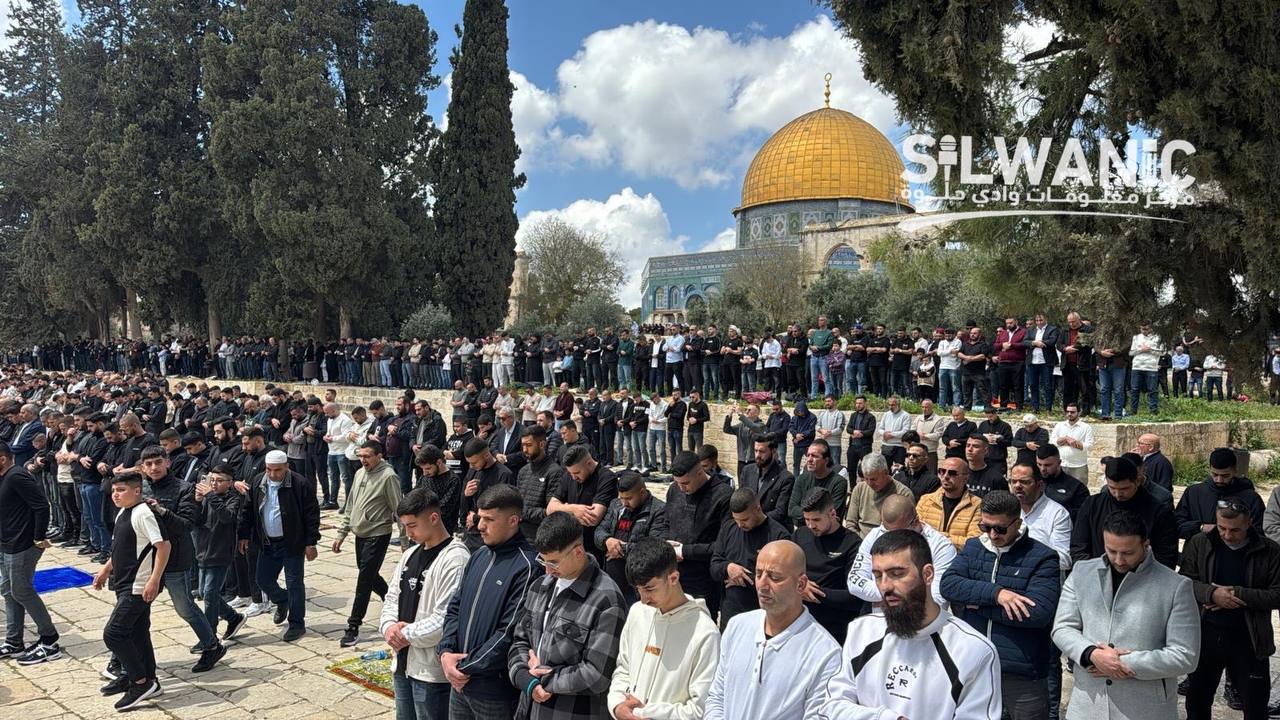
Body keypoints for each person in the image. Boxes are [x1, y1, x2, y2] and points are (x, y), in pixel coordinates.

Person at [820, 529, 1003, 720]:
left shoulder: (974, 650)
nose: (885, 586)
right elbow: (832, 706)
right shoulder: (861, 631)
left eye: (896, 574)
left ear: (928, 574)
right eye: (877, 575)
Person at [1051, 510, 1200, 720]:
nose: (1119, 560)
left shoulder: (1176, 586)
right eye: (1111, 551)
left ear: (1146, 544)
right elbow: (1062, 628)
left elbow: (1185, 655)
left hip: (1146, 709)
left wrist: (1123, 663)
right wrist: (1092, 654)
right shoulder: (1082, 572)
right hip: (1088, 706)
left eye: (1128, 552)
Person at [941, 491, 1061, 720]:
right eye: (985, 527)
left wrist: (979, 606)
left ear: (1018, 523)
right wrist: (997, 594)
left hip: (1021, 674)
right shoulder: (974, 547)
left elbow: (1038, 613)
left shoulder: (1043, 557)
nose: (993, 535)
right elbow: (948, 585)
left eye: (1000, 529)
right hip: (974, 667)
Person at [505, 511, 626, 719]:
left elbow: (597, 674)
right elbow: (519, 640)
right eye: (543, 561)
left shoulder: (607, 599)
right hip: (529, 709)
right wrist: (524, 677)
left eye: (553, 562)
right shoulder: (540, 586)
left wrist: (542, 679)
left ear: (578, 552)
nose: (548, 570)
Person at [437, 484, 543, 719]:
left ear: (513, 521)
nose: (480, 526)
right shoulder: (478, 556)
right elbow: (455, 607)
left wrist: (464, 667)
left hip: (493, 692)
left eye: (489, 520)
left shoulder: (528, 566)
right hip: (459, 683)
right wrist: (445, 652)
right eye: (479, 517)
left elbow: (509, 631)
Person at [704, 540, 841, 720]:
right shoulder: (737, 626)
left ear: (801, 584)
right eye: (758, 574)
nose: (762, 585)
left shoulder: (825, 653)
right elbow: (717, 696)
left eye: (775, 577)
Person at [1179, 499, 1280, 720]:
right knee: (1197, 701)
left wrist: (1238, 594)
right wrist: (1211, 593)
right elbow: (1184, 582)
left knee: (1255, 704)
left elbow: (1277, 594)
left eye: (1235, 530)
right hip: (1206, 633)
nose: (1227, 535)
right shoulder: (1200, 543)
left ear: (1249, 524)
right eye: (1221, 528)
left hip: (1250, 637)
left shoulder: (1269, 550)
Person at [380, 486, 469, 720]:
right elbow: (392, 597)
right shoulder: (410, 555)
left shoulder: (455, 558)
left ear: (433, 518)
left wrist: (404, 633)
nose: (408, 533)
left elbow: (445, 618)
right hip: (403, 661)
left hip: (430, 671)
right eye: (404, 526)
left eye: (412, 525)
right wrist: (388, 627)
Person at [608, 537, 720, 720]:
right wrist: (617, 705)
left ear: (673, 578)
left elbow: (702, 709)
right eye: (638, 590)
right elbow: (623, 668)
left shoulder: (705, 633)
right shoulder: (637, 612)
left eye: (649, 589)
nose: (644, 599)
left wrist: (647, 713)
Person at [137, 445, 226, 669]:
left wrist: (162, 511)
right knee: (134, 608)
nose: (154, 468)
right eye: (149, 464)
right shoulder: (139, 488)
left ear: (167, 462)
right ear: (143, 467)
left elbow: (186, 524)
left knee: (184, 607)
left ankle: (212, 645)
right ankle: (123, 658)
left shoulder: (184, 488)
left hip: (175, 558)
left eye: (158, 462)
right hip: (146, 559)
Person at [94, 472, 170, 710]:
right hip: (123, 582)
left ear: (137, 491)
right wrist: (106, 569)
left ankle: (139, 682)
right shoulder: (123, 512)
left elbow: (163, 546)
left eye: (121, 490)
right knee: (138, 632)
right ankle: (149, 679)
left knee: (114, 634)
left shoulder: (143, 513)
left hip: (138, 586)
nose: (115, 495)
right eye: (114, 491)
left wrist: (154, 580)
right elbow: (121, 547)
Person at [236, 449, 320, 642]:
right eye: (269, 470)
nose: (273, 474)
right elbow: (248, 510)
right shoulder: (258, 481)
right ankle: (282, 599)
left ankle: (297, 624)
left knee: (294, 583)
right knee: (263, 579)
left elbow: (311, 514)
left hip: (292, 542)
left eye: (277, 470)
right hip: (267, 542)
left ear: (286, 467)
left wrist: (310, 542)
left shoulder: (299, 484)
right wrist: (243, 535)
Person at [332, 439, 404, 647]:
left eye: (367, 456)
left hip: (378, 533)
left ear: (379, 456)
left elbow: (399, 509)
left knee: (364, 580)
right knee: (369, 575)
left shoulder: (389, 476)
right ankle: (394, 601)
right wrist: (342, 533)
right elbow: (351, 505)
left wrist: (405, 540)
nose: (363, 460)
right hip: (360, 532)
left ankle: (353, 626)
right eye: (360, 456)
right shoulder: (359, 473)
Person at [0, 440, 61, 664]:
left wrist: (38, 537)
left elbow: (42, 505)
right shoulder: (4, 478)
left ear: (2, 459)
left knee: (22, 590)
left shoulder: (17, 476)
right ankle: (14, 641)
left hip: (23, 544)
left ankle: (49, 638)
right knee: (8, 590)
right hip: (6, 543)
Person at [848, 494, 956, 608]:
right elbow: (854, 582)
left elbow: (937, 600)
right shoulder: (875, 535)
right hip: (879, 616)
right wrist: (893, 594)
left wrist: (888, 597)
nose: (892, 538)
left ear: (915, 521)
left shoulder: (941, 547)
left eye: (899, 533)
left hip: (921, 618)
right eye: (886, 531)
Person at [1071, 455, 1179, 568]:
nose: (1118, 494)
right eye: (1112, 488)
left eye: (1124, 489)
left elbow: (1166, 556)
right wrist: (1090, 571)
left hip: (1144, 575)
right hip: (1096, 572)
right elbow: (1078, 547)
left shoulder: (1159, 512)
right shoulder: (1092, 505)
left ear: (1138, 481)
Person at [662, 451, 733, 622]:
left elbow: (725, 544)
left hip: (703, 578)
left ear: (700, 472)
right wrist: (666, 544)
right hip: (672, 573)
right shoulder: (674, 490)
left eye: (685, 483)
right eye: (677, 483)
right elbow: (665, 523)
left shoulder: (723, 495)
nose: (681, 488)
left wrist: (684, 551)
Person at [710, 488, 791, 627]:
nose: (740, 525)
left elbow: (780, 581)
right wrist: (728, 568)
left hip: (762, 616)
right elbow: (714, 567)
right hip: (730, 614)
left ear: (758, 508)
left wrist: (741, 577)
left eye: (745, 519)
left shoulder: (778, 536)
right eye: (736, 519)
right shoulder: (729, 528)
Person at [189, 464, 248, 653]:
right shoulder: (207, 498)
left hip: (221, 552)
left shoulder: (233, 499)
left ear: (230, 483)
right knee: (205, 593)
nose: (214, 484)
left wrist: (210, 497)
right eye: (212, 480)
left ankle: (209, 636)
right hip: (203, 551)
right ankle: (233, 617)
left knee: (210, 595)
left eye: (219, 481)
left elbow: (226, 517)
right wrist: (197, 502)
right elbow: (195, 521)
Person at [793, 487, 862, 643]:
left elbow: (856, 597)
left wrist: (814, 593)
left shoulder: (852, 544)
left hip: (833, 629)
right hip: (799, 624)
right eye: (807, 519)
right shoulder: (800, 535)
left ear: (832, 513)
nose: (811, 525)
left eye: (816, 520)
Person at [595, 471, 667, 603]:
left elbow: (655, 547)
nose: (624, 503)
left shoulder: (658, 510)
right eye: (621, 498)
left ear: (642, 492)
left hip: (638, 583)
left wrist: (621, 549)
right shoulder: (615, 504)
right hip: (613, 580)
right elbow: (599, 531)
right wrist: (607, 540)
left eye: (628, 498)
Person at [1175, 446, 1264, 539]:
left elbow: (1259, 533)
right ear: (1210, 469)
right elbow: (1177, 526)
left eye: (1225, 476)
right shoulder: (1193, 493)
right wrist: (1200, 527)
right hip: (1200, 547)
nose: (1219, 480)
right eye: (1215, 474)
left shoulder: (1251, 498)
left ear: (1235, 470)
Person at [548, 443, 618, 560]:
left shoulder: (606, 477)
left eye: (577, 473)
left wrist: (562, 509)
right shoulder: (569, 475)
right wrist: (574, 509)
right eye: (570, 473)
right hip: (571, 545)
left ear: (589, 463)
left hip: (596, 548)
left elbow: (593, 518)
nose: (573, 477)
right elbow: (550, 509)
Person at [1009, 463, 1072, 569]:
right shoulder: (1006, 509)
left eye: (1024, 482)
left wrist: (1027, 560)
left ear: (1040, 485)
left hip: (1041, 573)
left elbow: (1064, 560)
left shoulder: (1058, 514)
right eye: (1013, 481)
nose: (1017, 486)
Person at [457, 437, 514, 551]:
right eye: (469, 463)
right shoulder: (473, 471)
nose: (472, 466)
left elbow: (503, 510)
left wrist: (477, 518)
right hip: (471, 533)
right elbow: (463, 512)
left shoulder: (504, 475)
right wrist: (466, 495)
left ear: (487, 455)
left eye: (474, 462)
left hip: (491, 535)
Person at [917, 456, 984, 550]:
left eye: (952, 473)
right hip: (926, 554)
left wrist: (938, 537)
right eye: (942, 471)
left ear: (965, 478)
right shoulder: (926, 500)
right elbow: (915, 532)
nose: (945, 476)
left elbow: (973, 541)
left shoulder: (977, 505)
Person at [512, 425, 566, 539]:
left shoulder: (555, 472)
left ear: (542, 444)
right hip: (519, 534)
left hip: (540, 536)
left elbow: (550, 511)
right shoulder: (523, 471)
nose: (524, 450)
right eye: (523, 445)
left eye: (529, 445)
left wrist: (521, 513)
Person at [844, 452, 912, 537]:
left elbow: (906, 530)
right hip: (860, 539)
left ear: (886, 472)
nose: (869, 483)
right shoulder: (859, 489)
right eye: (866, 479)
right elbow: (850, 523)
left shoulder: (903, 494)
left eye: (874, 479)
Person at [737, 431, 794, 529]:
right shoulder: (747, 471)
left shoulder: (786, 478)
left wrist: (754, 519)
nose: (757, 455)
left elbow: (780, 512)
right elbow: (741, 499)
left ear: (773, 451)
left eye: (762, 451)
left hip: (771, 529)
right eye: (756, 451)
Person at [1034, 445, 1089, 522]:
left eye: (1047, 465)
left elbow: (1083, 517)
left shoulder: (1077, 488)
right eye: (1039, 464)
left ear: (1059, 462)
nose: (1042, 469)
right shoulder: (1031, 483)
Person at [414, 445, 460, 536]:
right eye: (423, 469)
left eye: (428, 468)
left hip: (442, 530)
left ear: (439, 462)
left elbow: (444, 509)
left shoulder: (453, 480)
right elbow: (414, 497)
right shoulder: (425, 477)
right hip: (422, 525)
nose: (425, 473)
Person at [1048, 404, 1093, 483]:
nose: (1069, 414)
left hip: (1078, 466)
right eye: (1067, 411)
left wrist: (1075, 443)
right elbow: (1051, 442)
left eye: (1072, 412)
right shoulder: (1059, 425)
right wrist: (1065, 439)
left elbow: (1089, 446)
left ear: (1079, 412)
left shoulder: (1086, 427)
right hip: (1060, 465)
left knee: (1080, 489)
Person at [722, 401, 763, 476]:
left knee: (753, 481)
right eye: (746, 409)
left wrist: (740, 414)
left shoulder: (761, 425)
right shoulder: (741, 425)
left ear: (757, 413)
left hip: (754, 460)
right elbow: (726, 429)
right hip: (741, 460)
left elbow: (753, 426)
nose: (746, 411)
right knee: (741, 481)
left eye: (749, 410)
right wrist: (730, 414)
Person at [845, 395, 876, 479]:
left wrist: (860, 433)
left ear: (865, 404)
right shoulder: (853, 415)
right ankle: (852, 486)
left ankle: (866, 485)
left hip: (865, 447)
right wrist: (853, 432)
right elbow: (848, 428)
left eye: (860, 403)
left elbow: (870, 431)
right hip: (852, 447)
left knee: (866, 469)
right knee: (851, 469)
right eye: (856, 403)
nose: (858, 405)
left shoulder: (871, 417)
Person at [878, 396, 912, 467]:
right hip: (886, 445)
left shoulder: (905, 415)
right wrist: (884, 433)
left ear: (898, 405)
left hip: (899, 446)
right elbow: (880, 428)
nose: (890, 407)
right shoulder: (886, 414)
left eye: (893, 405)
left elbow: (905, 431)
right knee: (885, 468)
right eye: (889, 405)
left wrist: (891, 435)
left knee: (899, 469)